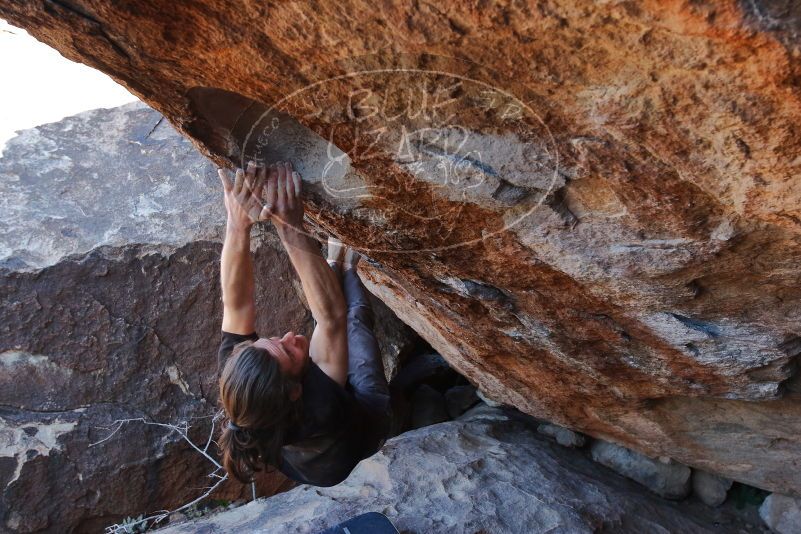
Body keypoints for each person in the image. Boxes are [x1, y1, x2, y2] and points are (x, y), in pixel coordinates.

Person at [215, 160, 391, 487]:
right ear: (296, 391)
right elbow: (332, 319)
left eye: (272, 340)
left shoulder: (240, 376)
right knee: (352, 317)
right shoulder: (319, 407)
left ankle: (330, 264)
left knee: (324, 319)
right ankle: (346, 266)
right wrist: (288, 224)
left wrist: (237, 224)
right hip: (357, 427)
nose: (290, 335)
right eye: (290, 353)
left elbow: (236, 303)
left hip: (299, 439)